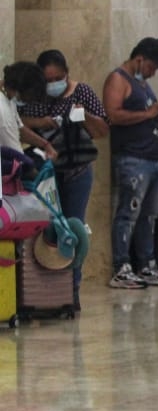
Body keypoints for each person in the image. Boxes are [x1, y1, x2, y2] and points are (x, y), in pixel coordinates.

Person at [20, 51, 105, 303]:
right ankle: (44, 290)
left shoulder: (83, 92)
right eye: (49, 79)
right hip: (44, 173)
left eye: (59, 78)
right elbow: (16, 122)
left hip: (78, 171)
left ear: (67, 72)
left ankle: (72, 290)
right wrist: (42, 121)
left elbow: (101, 130)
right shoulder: (32, 94)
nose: (54, 83)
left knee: (74, 227)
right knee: (46, 230)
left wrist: (83, 115)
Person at [102, 37, 158, 289]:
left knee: (149, 216)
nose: (153, 72)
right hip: (133, 159)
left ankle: (147, 263)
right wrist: (149, 114)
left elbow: (145, 116)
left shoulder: (142, 84)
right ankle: (122, 266)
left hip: (154, 157)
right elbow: (112, 115)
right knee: (129, 213)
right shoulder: (118, 79)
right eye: (152, 67)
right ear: (140, 59)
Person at [2, 62, 55, 156]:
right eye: (28, 98)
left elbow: (19, 128)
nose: (27, 102)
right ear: (18, 90)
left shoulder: (8, 97)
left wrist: (45, 145)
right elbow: (17, 156)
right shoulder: (3, 110)